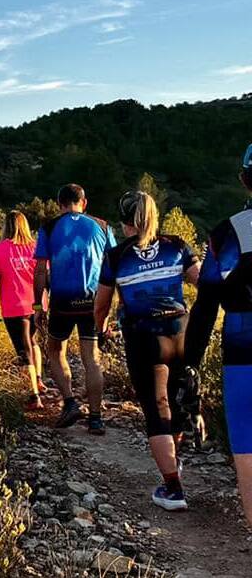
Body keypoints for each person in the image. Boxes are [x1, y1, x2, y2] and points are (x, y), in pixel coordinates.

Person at [95, 191, 199, 511]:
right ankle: (174, 463)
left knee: (156, 410)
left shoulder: (116, 256)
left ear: (125, 221)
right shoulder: (177, 246)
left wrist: (100, 330)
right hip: (180, 331)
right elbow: (203, 283)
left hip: (143, 335)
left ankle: (173, 488)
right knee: (176, 404)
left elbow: (101, 305)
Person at [181, 143, 252, 532]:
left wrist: (189, 360)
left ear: (244, 178)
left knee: (246, 441)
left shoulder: (227, 233)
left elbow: (207, 303)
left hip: (242, 344)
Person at [33, 184, 115, 434]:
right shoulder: (103, 226)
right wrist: (111, 308)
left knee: (56, 349)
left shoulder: (49, 227)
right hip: (93, 301)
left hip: (62, 302)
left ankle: (70, 402)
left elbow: (39, 270)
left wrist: (38, 304)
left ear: (60, 204)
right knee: (92, 359)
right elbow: (114, 267)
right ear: (84, 202)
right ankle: (96, 418)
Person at [0, 210, 45, 410]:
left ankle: (33, 395)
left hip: (15, 306)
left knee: (23, 349)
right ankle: (38, 378)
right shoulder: (36, 248)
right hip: (38, 304)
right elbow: (46, 277)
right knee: (32, 341)